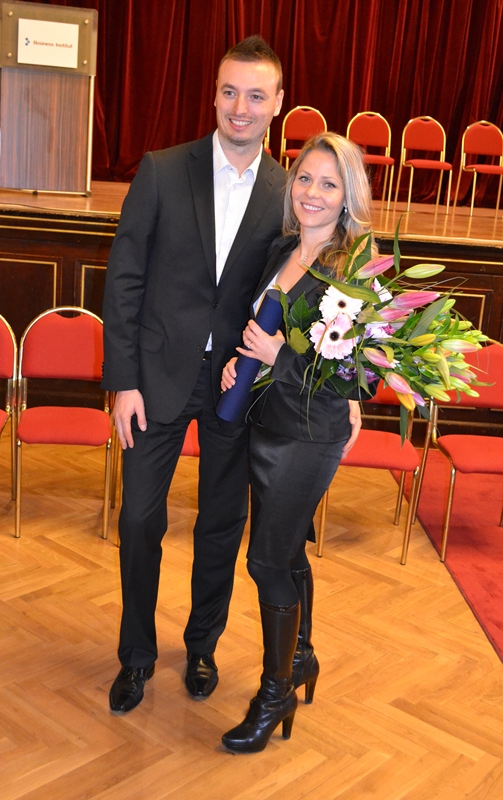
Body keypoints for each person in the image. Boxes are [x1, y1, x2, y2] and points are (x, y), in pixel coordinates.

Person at [101, 36, 286, 715]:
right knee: (139, 520)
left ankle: (201, 644)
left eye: (256, 95)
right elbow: (124, 279)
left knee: (221, 524)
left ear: (276, 103)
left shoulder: (287, 191)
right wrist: (122, 381)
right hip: (153, 379)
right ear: (213, 94)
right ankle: (135, 656)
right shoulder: (160, 169)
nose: (241, 107)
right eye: (230, 91)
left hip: (236, 385)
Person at [220, 132, 375, 753]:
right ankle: (301, 656)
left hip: (308, 437)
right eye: (305, 178)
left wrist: (277, 357)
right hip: (266, 424)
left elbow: (355, 376)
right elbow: (258, 328)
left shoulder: (353, 273)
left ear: (347, 198)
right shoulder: (283, 248)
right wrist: (240, 365)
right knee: (284, 554)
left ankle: (274, 692)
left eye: (328, 184)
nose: (312, 192)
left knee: (265, 562)